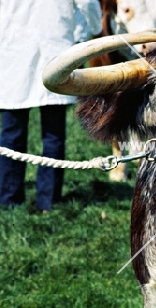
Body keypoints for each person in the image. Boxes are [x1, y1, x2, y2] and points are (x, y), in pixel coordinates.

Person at [0, 0, 102, 213]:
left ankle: (9, 199)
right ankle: (48, 201)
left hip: (15, 51)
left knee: (12, 134)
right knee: (52, 135)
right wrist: (97, 29)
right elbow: (88, 3)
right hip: (53, 52)